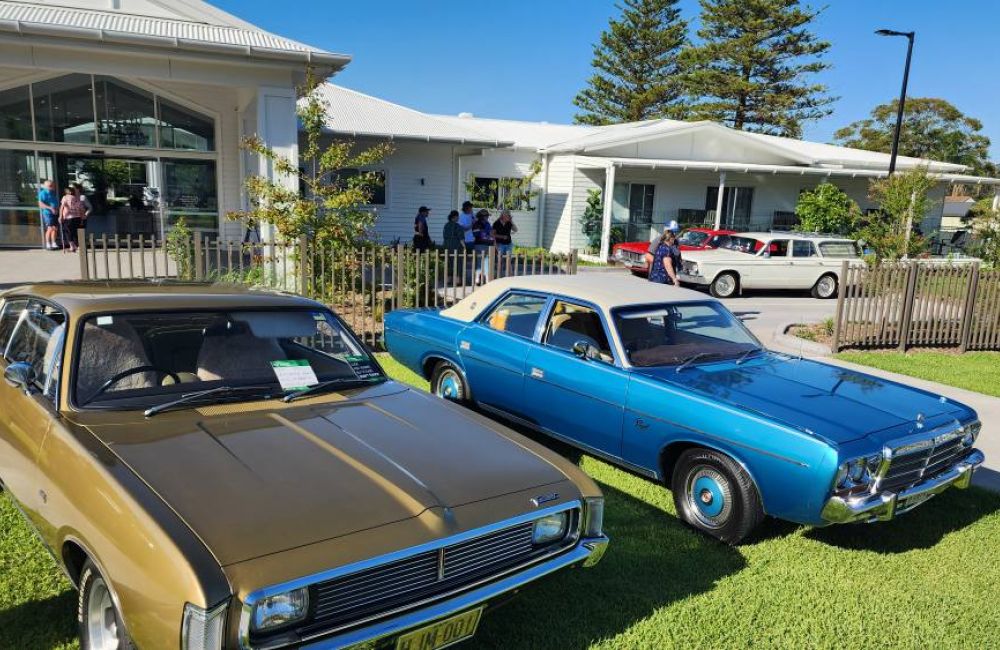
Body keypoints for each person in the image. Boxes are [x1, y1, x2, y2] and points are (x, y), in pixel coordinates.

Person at [59, 186, 85, 253]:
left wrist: (60, 216)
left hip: (68, 217)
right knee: (75, 232)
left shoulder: (65, 197)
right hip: (77, 217)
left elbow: (62, 207)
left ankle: (72, 246)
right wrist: (82, 218)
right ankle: (78, 247)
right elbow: (81, 209)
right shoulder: (77, 198)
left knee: (68, 232)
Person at [472, 209, 493, 284]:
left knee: (479, 261)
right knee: (486, 261)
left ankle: (477, 279)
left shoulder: (475, 224)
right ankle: (487, 280)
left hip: (478, 244)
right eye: (487, 216)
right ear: (483, 216)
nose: (488, 217)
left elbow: (475, 234)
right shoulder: (487, 224)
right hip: (484, 245)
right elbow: (491, 234)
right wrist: (487, 236)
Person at [37, 179, 59, 250]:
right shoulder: (42, 193)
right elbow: (40, 204)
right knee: (50, 228)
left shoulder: (52, 193)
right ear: (46, 186)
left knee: (55, 228)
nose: (52, 187)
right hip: (47, 213)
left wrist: (56, 209)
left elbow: (55, 203)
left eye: (52, 185)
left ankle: (53, 242)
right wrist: (50, 208)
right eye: (50, 186)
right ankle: (48, 243)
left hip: (54, 212)